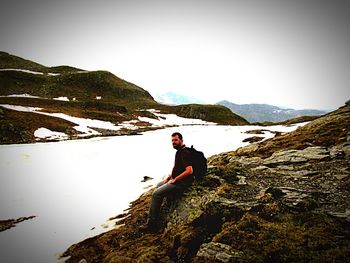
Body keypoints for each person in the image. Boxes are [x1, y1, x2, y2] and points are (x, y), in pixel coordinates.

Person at [140, 132, 194, 233]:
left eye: (176, 140)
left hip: (182, 183)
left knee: (156, 194)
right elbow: (177, 167)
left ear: (181, 140)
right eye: (172, 141)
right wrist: (169, 177)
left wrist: (176, 179)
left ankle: (151, 224)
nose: (173, 142)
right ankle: (163, 203)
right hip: (176, 179)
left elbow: (189, 171)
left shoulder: (184, 153)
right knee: (159, 185)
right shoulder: (179, 151)